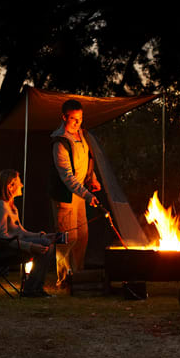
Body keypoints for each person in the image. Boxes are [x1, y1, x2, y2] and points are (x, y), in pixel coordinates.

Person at [49, 99, 101, 290]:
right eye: (73, 119)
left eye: (80, 118)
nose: (77, 123)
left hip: (80, 195)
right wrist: (87, 195)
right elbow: (67, 177)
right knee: (66, 238)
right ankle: (63, 279)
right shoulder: (60, 142)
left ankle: (77, 275)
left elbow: (86, 161)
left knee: (82, 235)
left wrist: (92, 179)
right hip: (65, 196)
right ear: (64, 117)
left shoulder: (82, 135)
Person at [0, 169, 55, 297]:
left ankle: (34, 288)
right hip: (0, 250)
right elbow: (2, 238)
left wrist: (40, 235)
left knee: (46, 242)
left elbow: (20, 231)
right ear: (10, 186)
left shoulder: (10, 206)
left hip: (10, 245)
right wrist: (30, 247)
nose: (22, 185)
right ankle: (31, 289)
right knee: (45, 245)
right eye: (19, 182)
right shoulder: (0, 206)